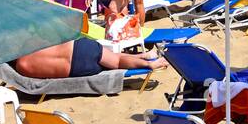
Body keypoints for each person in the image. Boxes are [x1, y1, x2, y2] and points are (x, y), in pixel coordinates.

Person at [14, 37, 165, 80]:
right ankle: (146, 58)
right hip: (78, 47)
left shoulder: (22, 67)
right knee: (113, 60)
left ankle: (148, 62)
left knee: (114, 62)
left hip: (77, 67)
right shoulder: (27, 44)